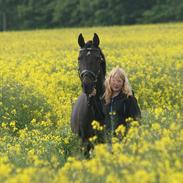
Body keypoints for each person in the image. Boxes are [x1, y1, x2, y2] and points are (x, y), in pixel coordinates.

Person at [102, 66, 141, 137]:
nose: (116, 83)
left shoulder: (129, 98)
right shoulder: (105, 97)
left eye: (119, 81)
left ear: (123, 83)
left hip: (123, 138)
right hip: (107, 138)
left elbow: (137, 118)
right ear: (109, 80)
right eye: (113, 80)